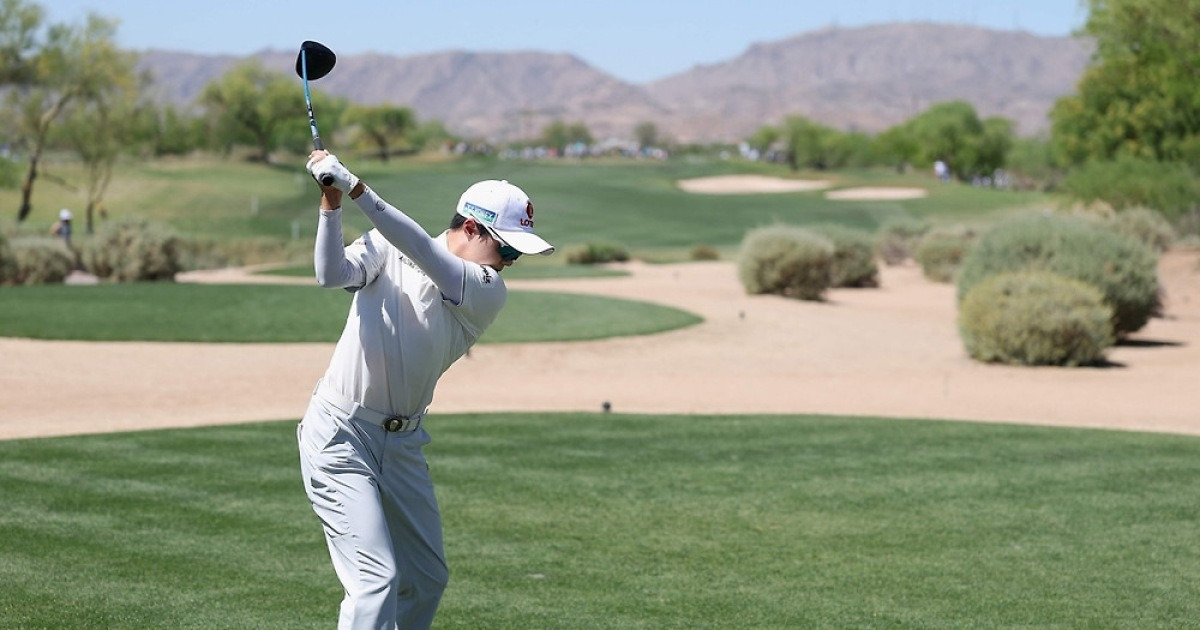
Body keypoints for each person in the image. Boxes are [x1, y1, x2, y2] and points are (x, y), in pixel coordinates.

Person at [297, 150, 554, 630]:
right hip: (340, 434)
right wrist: (332, 203)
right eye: (508, 250)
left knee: (426, 578)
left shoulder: (486, 288)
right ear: (472, 228)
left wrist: (357, 187)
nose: (510, 263)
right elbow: (330, 275)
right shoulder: (386, 244)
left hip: (403, 445)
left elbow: (420, 248)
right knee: (374, 579)